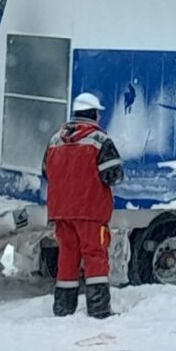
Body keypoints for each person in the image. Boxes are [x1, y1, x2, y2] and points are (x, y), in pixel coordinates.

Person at [42, 92, 124, 318]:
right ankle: (98, 309)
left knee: (67, 257)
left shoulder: (55, 140)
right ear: (93, 113)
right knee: (95, 256)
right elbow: (113, 175)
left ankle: (63, 308)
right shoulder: (99, 140)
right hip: (90, 211)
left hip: (61, 212)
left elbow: (46, 172)